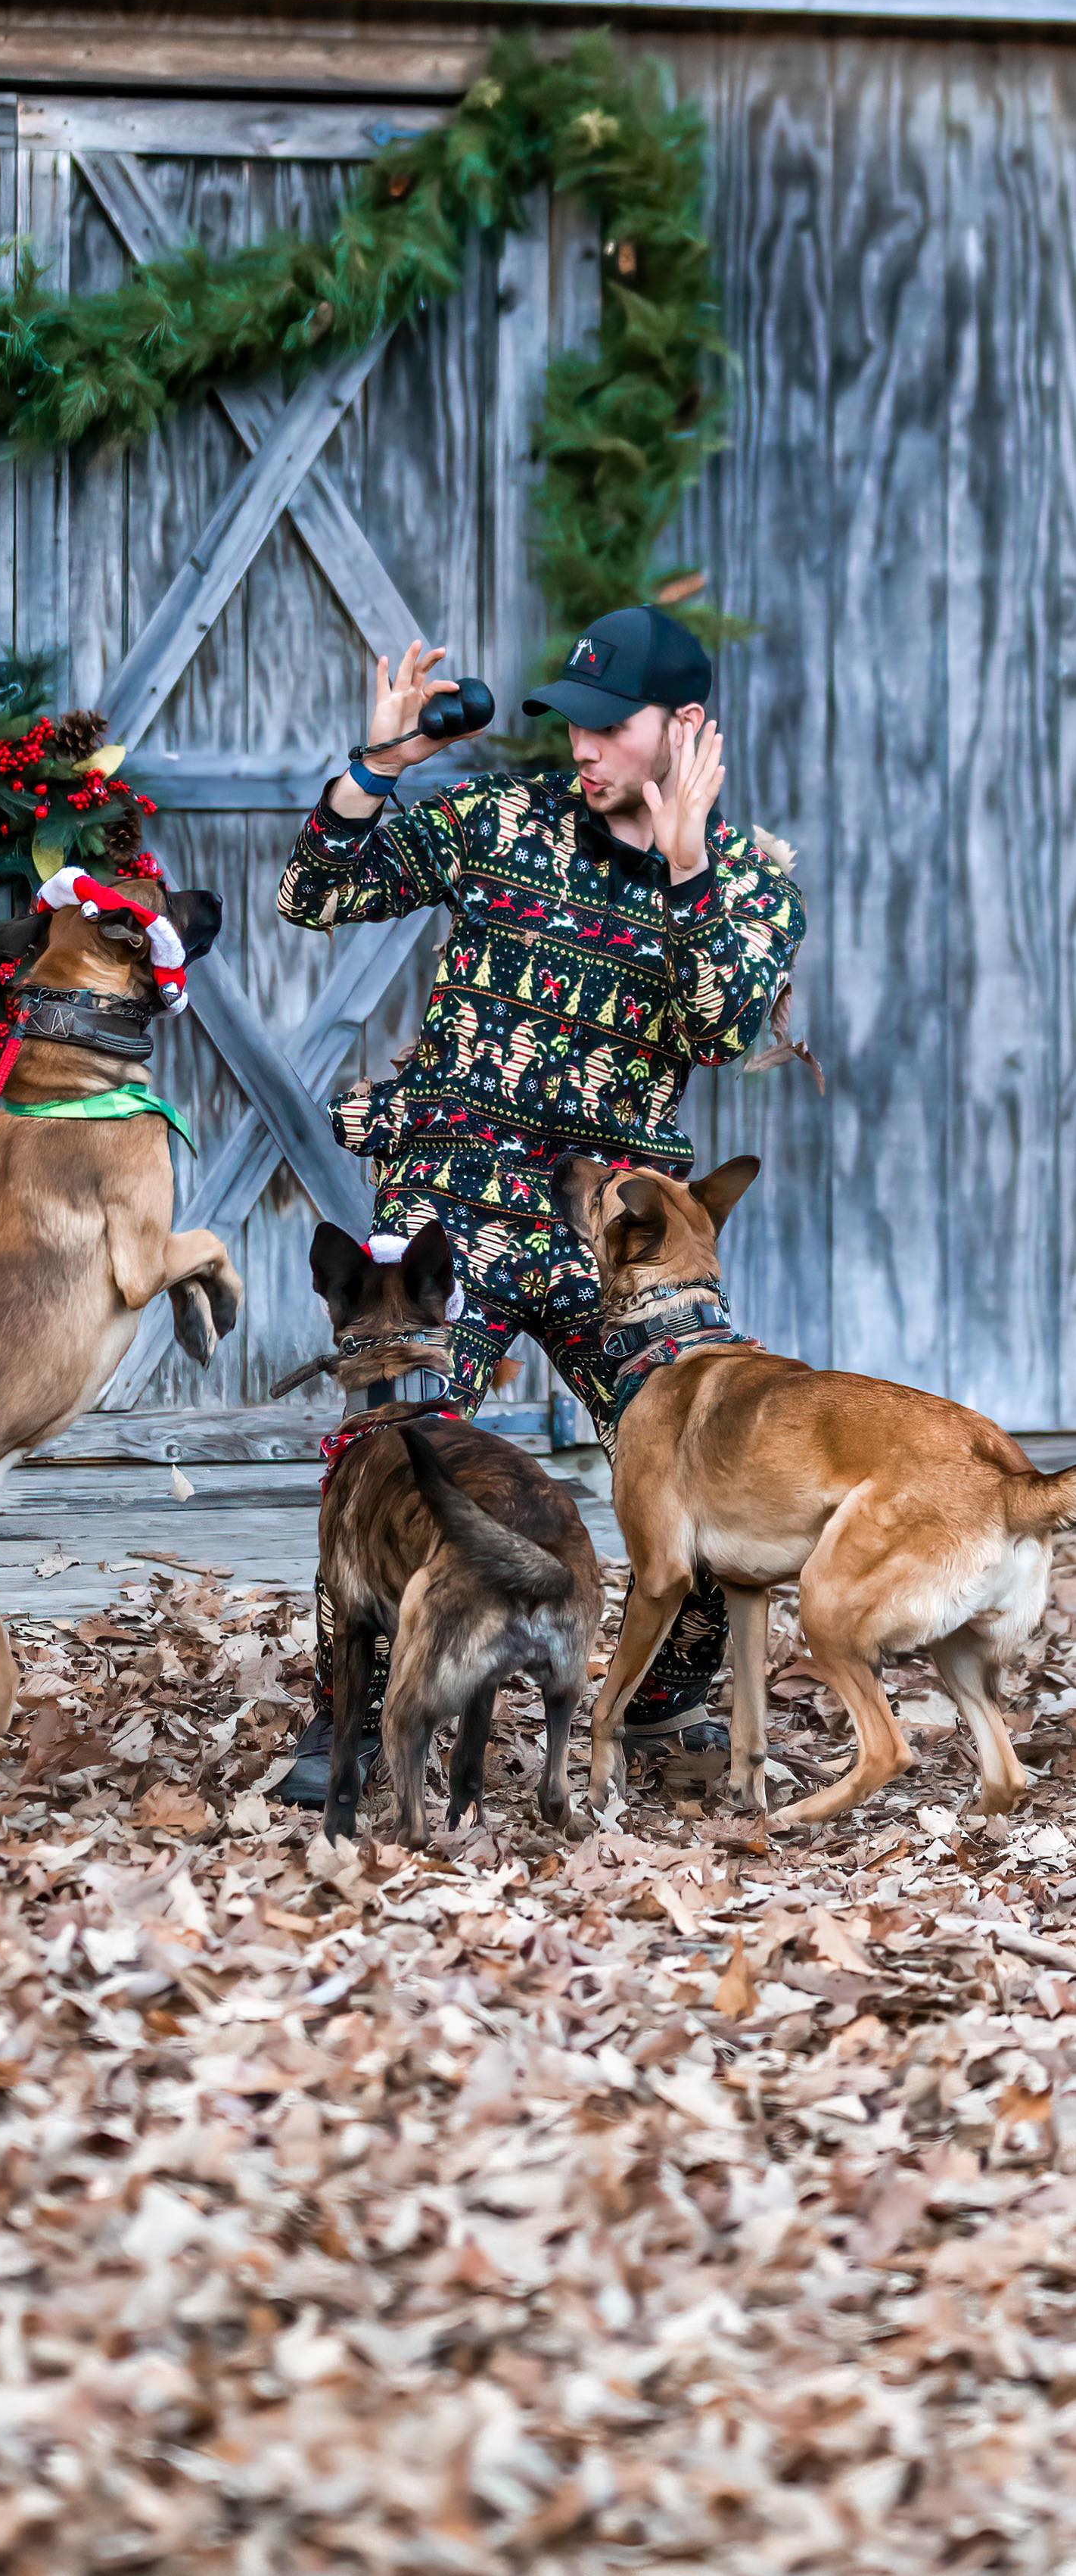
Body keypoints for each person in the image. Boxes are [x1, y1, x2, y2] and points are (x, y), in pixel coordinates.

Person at [272, 603, 807, 1807]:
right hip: (449, 1212)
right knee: (388, 1441)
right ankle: (349, 1717)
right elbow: (313, 892)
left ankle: (656, 1704)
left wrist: (684, 873)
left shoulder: (752, 885)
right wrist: (379, 768)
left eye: (610, 730)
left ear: (685, 731)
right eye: (572, 726)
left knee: (718, 1458)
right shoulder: (502, 822)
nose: (582, 750)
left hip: (607, 1238)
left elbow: (723, 1022)